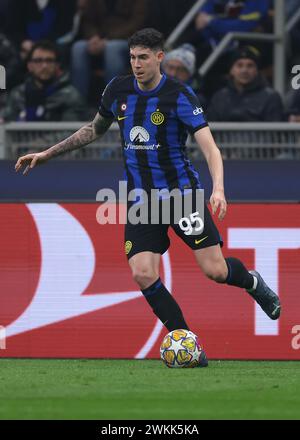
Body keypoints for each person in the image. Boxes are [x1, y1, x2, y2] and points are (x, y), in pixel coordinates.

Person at [15, 29, 281, 366]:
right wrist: (48, 153)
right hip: (142, 202)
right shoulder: (118, 90)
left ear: (159, 57)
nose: (136, 64)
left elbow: (211, 148)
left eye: (143, 57)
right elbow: (93, 129)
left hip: (181, 196)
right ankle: (188, 344)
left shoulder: (180, 95)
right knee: (142, 272)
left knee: (215, 271)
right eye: (132, 57)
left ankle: (252, 281)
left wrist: (218, 189)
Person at [70, 0, 147, 98]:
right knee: (78, 48)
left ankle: (113, 100)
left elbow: (137, 22)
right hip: (100, 38)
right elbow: (88, 20)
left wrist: (109, 39)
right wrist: (93, 36)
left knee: (112, 48)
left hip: (129, 39)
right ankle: (77, 101)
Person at [3, 40, 86, 122]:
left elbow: (71, 132)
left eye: (49, 60)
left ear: (57, 66)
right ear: (29, 66)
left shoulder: (71, 96)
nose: (44, 66)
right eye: (38, 61)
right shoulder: (18, 94)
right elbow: (6, 120)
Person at [207, 46, 284, 122]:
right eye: (239, 65)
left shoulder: (271, 97)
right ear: (231, 70)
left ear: (257, 71)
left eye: (250, 65)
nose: (244, 70)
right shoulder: (219, 97)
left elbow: (274, 133)